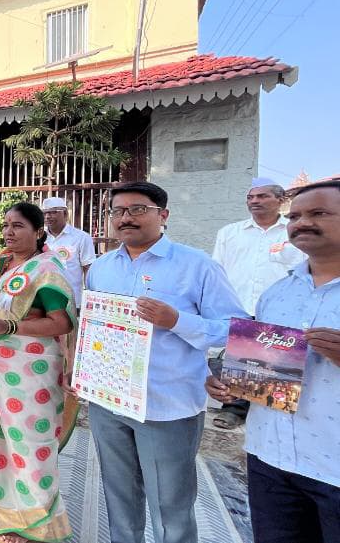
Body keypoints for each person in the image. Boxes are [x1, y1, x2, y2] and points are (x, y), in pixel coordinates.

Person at [84, 181, 245, 543]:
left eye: (138, 209)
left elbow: (234, 329)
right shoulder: (101, 267)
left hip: (167, 404)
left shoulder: (197, 265)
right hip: (108, 401)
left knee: (171, 507)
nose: (126, 218)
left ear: (163, 215)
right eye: (118, 211)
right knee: (119, 495)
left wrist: (176, 321)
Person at [205, 180, 340, 543]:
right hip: (269, 459)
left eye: (319, 213)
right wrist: (234, 384)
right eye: (295, 216)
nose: (302, 222)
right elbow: (262, 372)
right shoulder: (276, 294)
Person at [0, 202, 78, 541]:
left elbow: (61, 322)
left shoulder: (46, 268)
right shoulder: (2, 265)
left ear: (39, 232)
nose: (8, 231)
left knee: (27, 445)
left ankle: (33, 521)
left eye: (18, 226)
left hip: (30, 372)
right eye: (6, 225)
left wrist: (8, 326)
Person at [211, 177, 306, 430]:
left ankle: (272, 417)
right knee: (241, 362)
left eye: (262, 196)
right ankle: (234, 410)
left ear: (281, 200)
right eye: (250, 197)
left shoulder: (293, 232)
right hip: (240, 303)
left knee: (277, 365)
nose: (254, 201)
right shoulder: (230, 233)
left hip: (281, 308)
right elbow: (217, 269)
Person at [42, 197, 95, 306]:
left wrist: (90, 299)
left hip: (72, 301)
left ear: (65, 214)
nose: (47, 216)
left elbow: (88, 269)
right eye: (45, 213)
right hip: (44, 300)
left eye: (53, 212)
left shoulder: (81, 237)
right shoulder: (39, 238)